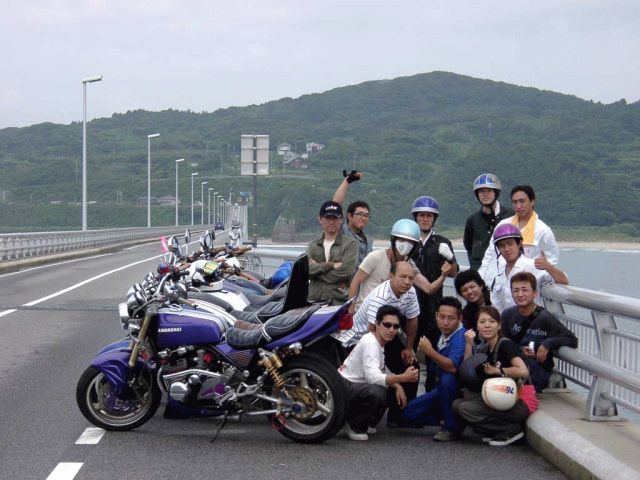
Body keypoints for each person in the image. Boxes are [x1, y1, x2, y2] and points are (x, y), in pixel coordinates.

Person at [349, 261, 421, 427]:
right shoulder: (380, 297)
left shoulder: (410, 291)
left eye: (411, 278)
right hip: (362, 337)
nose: (407, 282)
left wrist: (408, 348)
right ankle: (368, 415)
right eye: (402, 277)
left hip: (387, 333)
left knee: (411, 364)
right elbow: (371, 330)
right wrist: (382, 360)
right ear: (391, 276)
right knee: (379, 371)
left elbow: (412, 320)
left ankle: (400, 415)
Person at [453, 305, 531, 446]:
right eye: (482, 322)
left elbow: (523, 371)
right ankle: (494, 430)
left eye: (492, 321)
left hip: (516, 403)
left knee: (465, 409)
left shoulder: (506, 345)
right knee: (457, 404)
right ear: (477, 326)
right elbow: (467, 372)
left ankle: (510, 430)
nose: (487, 325)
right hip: (499, 398)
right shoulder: (485, 348)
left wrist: (498, 371)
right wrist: (469, 345)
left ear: (499, 325)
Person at [338, 305, 419, 441]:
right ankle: (353, 425)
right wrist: (403, 378)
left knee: (390, 385)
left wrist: (398, 385)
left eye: (395, 326)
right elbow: (373, 377)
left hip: (353, 385)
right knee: (378, 391)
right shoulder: (371, 343)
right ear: (377, 324)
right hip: (345, 386)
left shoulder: (378, 342)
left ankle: (366, 421)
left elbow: (381, 369)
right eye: (387, 325)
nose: (391, 330)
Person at [348, 218, 452, 313]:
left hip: (388, 318)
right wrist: (350, 312)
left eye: (410, 242)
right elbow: (355, 282)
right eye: (402, 240)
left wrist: (443, 276)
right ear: (393, 240)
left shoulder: (409, 265)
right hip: (365, 312)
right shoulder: (376, 257)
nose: (406, 244)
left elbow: (428, 288)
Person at [410, 195, 459, 389]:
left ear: (434, 218)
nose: (425, 218)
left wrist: (450, 261)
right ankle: (409, 392)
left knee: (433, 353)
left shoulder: (442, 242)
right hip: (411, 305)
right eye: (421, 215)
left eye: (429, 215)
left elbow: (454, 272)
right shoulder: (408, 240)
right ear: (415, 217)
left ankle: (432, 391)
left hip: (434, 308)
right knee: (409, 353)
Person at [402, 297, 466, 441]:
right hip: (439, 389)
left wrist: (429, 351)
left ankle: (451, 427)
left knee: (448, 378)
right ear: (436, 316)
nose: (445, 322)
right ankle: (451, 418)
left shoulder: (460, 337)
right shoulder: (441, 334)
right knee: (408, 413)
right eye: (442, 317)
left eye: (451, 318)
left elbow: (452, 367)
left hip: (457, 389)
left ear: (460, 318)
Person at [501, 272, 578, 392]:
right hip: (516, 364)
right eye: (516, 290)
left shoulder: (544, 317)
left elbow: (572, 339)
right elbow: (504, 343)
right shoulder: (507, 315)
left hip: (537, 369)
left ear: (534, 293)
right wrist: (520, 350)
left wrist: (548, 343)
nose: (520, 294)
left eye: (524, 290)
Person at [479, 185, 560, 280]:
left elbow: (552, 262)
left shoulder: (543, 230)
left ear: (532, 202)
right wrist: (481, 278)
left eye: (522, 201)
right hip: (500, 281)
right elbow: (489, 255)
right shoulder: (503, 225)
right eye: (515, 202)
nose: (518, 206)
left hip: (526, 284)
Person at [483, 224, 569, 313]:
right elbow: (497, 305)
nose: (506, 249)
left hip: (531, 319)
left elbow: (564, 281)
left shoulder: (532, 266)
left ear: (519, 244)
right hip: (509, 320)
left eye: (510, 244)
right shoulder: (498, 272)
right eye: (502, 246)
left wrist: (548, 267)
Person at [306, 201, 358, 305]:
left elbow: (346, 272)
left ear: (341, 220)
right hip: (314, 302)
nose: (331, 222)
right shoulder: (312, 245)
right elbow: (307, 271)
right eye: (327, 218)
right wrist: (331, 265)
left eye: (335, 218)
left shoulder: (351, 244)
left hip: (339, 302)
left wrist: (317, 271)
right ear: (320, 219)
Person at [463, 173, 514, 271]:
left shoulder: (510, 215)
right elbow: (469, 246)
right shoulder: (472, 220)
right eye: (481, 191)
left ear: (496, 193)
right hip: (480, 271)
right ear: (477, 194)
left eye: (489, 191)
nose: (485, 194)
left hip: (505, 270)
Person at [332, 170, 373, 267]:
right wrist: (347, 180)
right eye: (360, 214)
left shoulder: (369, 240)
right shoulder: (342, 232)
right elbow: (335, 206)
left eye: (366, 215)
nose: (363, 218)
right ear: (350, 216)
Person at [454, 269, 491, 335]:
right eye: (464, 290)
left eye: (472, 287)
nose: (469, 292)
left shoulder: (494, 299)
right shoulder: (466, 313)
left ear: (481, 286)